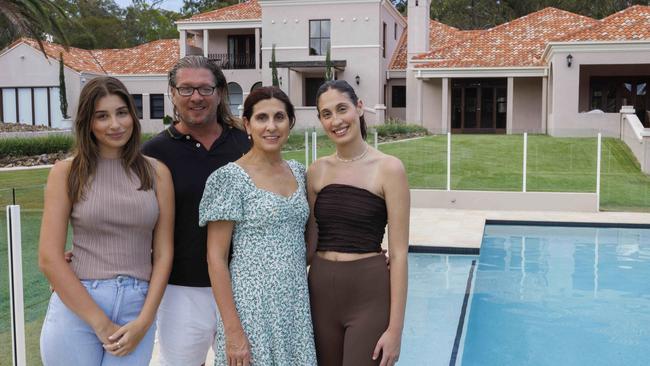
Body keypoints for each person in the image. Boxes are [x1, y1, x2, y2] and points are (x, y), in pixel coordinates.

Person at [39, 76, 174, 365]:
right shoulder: (66, 173)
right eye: (102, 116)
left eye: (122, 113)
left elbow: (163, 254)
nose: (115, 124)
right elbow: (49, 258)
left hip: (136, 309)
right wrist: (100, 323)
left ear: (132, 116)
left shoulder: (157, 173)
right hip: (78, 306)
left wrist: (145, 320)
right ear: (88, 122)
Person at [141, 55, 250, 365]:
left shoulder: (246, 143)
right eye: (186, 89)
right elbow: (131, 216)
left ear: (219, 92)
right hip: (180, 289)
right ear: (172, 93)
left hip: (241, 286)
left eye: (205, 88)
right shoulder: (153, 153)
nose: (197, 97)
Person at [199, 86, 317, 366]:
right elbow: (215, 259)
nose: (272, 126)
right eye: (262, 118)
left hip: (294, 309)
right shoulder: (229, 179)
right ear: (247, 124)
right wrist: (233, 332)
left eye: (279, 117)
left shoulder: (299, 172)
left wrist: (365, 256)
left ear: (290, 123)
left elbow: (308, 239)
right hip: (251, 309)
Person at [306, 80, 409, 366]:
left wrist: (395, 330)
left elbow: (399, 254)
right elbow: (309, 242)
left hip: (369, 294)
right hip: (320, 292)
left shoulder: (389, 169)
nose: (336, 121)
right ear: (320, 120)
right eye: (326, 114)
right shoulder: (316, 172)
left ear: (359, 108)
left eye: (342, 109)